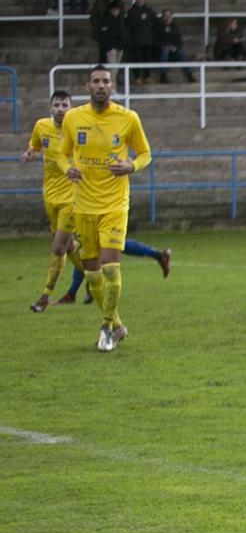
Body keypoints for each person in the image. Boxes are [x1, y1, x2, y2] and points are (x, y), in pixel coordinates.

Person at [54, 67, 151, 351]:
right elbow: (62, 153)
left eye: (105, 81)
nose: (101, 85)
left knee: (111, 268)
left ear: (112, 86)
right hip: (83, 204)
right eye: (96, 81)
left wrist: (131, 165)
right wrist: (67, 167)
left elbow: (146, 153)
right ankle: (117, 324)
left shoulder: (128, 118)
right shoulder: (74, 117)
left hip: (114, 204)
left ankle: (106, 328)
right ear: (88, 86)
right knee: (93, 274)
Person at [23, 89, 82, 312]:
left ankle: (45, 296)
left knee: (58, 248)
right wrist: (29, 154)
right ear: (51, 107)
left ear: (71, 107)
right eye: (56, 105)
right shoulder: (41, 126)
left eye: (64, 105)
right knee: (68, 247)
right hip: (49, 195)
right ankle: (93, 276)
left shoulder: (77, 129)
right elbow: (35, 146)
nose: (60, 109)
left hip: (71, 197)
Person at [157, 9, 193, 83]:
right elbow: (156, 41)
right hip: (162, 51)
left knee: (182, 53)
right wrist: (165, 47)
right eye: (165, 16)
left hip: (174, 51)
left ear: (171, 17)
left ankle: (189, 75)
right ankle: (163, 77)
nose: (167, 17)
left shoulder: (175, 27)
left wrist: (175, 47)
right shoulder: (158, 28)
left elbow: (180, 42)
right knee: (164, 53)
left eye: (169, 16)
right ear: (162, 17)